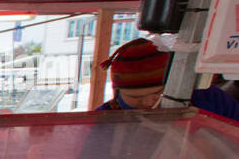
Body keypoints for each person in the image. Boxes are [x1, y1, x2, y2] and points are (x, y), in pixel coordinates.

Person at [95, 39, 239, 120]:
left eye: (158, 93)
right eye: (135, 97)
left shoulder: (211, 100)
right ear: (116, 91)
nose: (148, 102)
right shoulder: (102, 120)